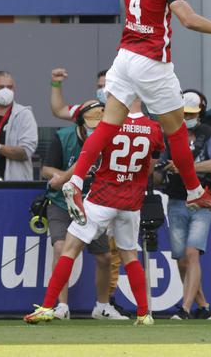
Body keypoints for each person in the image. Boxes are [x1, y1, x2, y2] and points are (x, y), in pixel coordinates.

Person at [56, 0, 211, 217]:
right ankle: (195, 192)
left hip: (123, 60)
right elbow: (188, 19)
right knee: (178, 129)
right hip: (152, 63)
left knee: (108, 126)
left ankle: (77, 181)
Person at [25, 99, 164, 326]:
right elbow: (149, 167)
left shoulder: (109, 122)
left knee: (69, 249)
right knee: (130, 256)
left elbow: (90, 155)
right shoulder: (154, 128)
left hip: (102, 197)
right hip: (131, 201)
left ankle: (49, 306)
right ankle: (143, 313)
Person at [49, 67, 128, 316]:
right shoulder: (73, 124)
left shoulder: (120, 119)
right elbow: (58, 109)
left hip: (95, 202)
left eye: (108, 84)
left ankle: (102, 307)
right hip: (64, 201)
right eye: (101, 84)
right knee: (62, 249)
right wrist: (55, 84)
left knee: (105, 257)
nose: (104, 89)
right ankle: (60, 305)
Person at [155, 91, 211, 320]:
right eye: (184, 113)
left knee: (192, 253)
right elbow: (160, 166)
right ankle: (203, 306)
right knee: (181, 257)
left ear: (200, 112)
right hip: (175, 198)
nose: (187, 117)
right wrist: (163, 167)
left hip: (202, 199)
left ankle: (184, 308)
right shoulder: (169, 135)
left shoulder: (210, 134)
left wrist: (185, 167)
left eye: (191, 113)